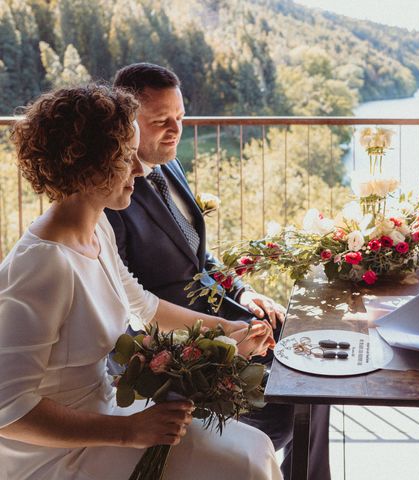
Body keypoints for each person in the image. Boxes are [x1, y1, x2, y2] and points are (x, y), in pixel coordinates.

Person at [0, 84, 282, 480]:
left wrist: (230, 331)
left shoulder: (97, 227)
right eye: (125, 158)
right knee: (242, 463)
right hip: (60, 453)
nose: (139, 169)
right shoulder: (42, 267)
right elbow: (8, 412)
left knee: (255, 447)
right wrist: (128, 431)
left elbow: (145, 307)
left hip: (109, 414)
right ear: (88, 165)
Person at [105, 63, 331, 480]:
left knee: (313, 367)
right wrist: (223, 335)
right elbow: (124, 306)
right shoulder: (112, 197)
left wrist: (244, 293)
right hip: (177, 344)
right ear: (126, 122)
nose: (175, 130)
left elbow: (199, 257)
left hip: (224, 310)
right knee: (287, 406)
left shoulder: (169, 165)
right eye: (160, 122)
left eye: (181, 118)